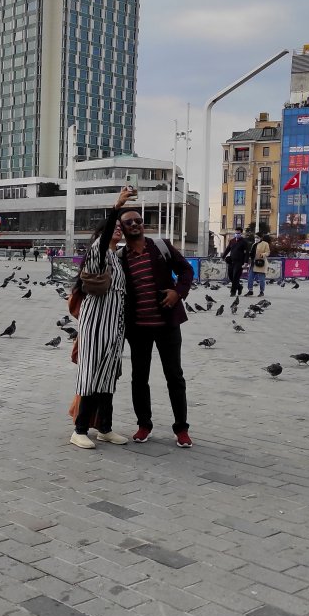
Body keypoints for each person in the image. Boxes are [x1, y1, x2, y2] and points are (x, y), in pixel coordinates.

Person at [118, 208, 194, 448]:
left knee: (175, 376)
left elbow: (186, 270)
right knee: (139, 377)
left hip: (167, 324)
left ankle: (181, 428)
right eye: (129, 222)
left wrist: (177, 293)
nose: (135, 225)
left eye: (138, 221)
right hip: (137, 327)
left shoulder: (160, 246)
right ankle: (144, 424)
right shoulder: (120, 257)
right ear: (121, 228)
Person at [71, 187, 136, 449]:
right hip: (96, 324)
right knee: (90, 374)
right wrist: (117, 205)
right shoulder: (98, 252)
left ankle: (105, 428)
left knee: (108, 375)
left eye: (121, 227)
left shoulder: (117, 258)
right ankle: (79, 429)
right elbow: (108, 230)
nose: (119, 229)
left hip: (114, 326)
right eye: (115, 227)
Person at [222, 228, 249, 298]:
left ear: (241, 233)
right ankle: (239, 287)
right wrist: (223, 257)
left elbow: (246, 253)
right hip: (231, 261)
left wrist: (246, 262)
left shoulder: (244, 242)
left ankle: (233, 291)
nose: (237, 234)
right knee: (230, 276)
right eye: (236, 233)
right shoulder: (232, 241)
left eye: (238, 233)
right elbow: (227, 249)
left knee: (235, 277)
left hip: (239, 262)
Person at [246, 232, 271, 297]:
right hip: (253, 263)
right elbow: (252, 253)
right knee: (250, 278)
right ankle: (250, 290)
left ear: (261, 238)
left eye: (257, 237)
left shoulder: (265, 244)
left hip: (261, 263)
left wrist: (263, 254)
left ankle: (261, 291)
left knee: (261, 279)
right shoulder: (254, 244)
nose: (256, 238)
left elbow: (268, 252)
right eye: (255, 237)